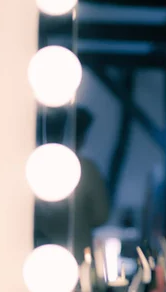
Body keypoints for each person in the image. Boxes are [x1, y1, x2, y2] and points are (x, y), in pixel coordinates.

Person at [34, 107, 110, 264]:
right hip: (75, 257)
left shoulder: (33, 167)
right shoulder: (86, 169)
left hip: (35, 254)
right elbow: (100, 216)